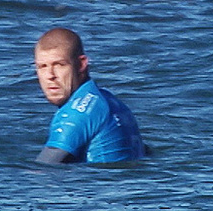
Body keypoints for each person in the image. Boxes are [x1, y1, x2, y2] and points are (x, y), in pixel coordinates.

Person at [34, 28, 146, 164]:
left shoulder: (76, 115)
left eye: (59, 65)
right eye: (42, 67)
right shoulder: (110, 101)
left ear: (81, 64)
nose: (50, 75)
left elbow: (43, 170)